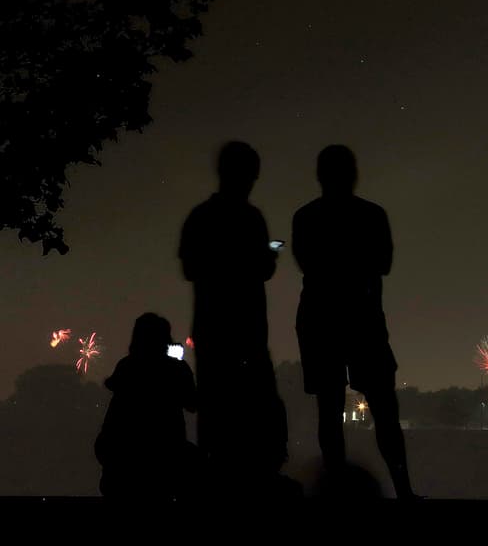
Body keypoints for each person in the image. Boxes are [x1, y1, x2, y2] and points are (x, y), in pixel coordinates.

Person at [291, 144, 414, 498]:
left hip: (319, 319)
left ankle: (336, 492)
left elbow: (309, 265)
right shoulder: (372, 215)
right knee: (384, 408)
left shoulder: (306, 216)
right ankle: (404, 490)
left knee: (328, 410)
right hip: (363, 319)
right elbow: (384, 264)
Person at [179, 141, 288, 490]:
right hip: (248, 332)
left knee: (215, 407)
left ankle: (214, 482)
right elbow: (261, 270)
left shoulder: (200, 217)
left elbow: (191, 268)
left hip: (212, 329)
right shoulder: (251, 219)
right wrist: (260, 260)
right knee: (257, 407)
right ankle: (256, 481)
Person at [95, 313, 198, 499]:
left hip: (121, 462)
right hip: (166, 458)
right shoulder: (176, 369)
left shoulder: (126, 367)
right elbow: (192, 403)